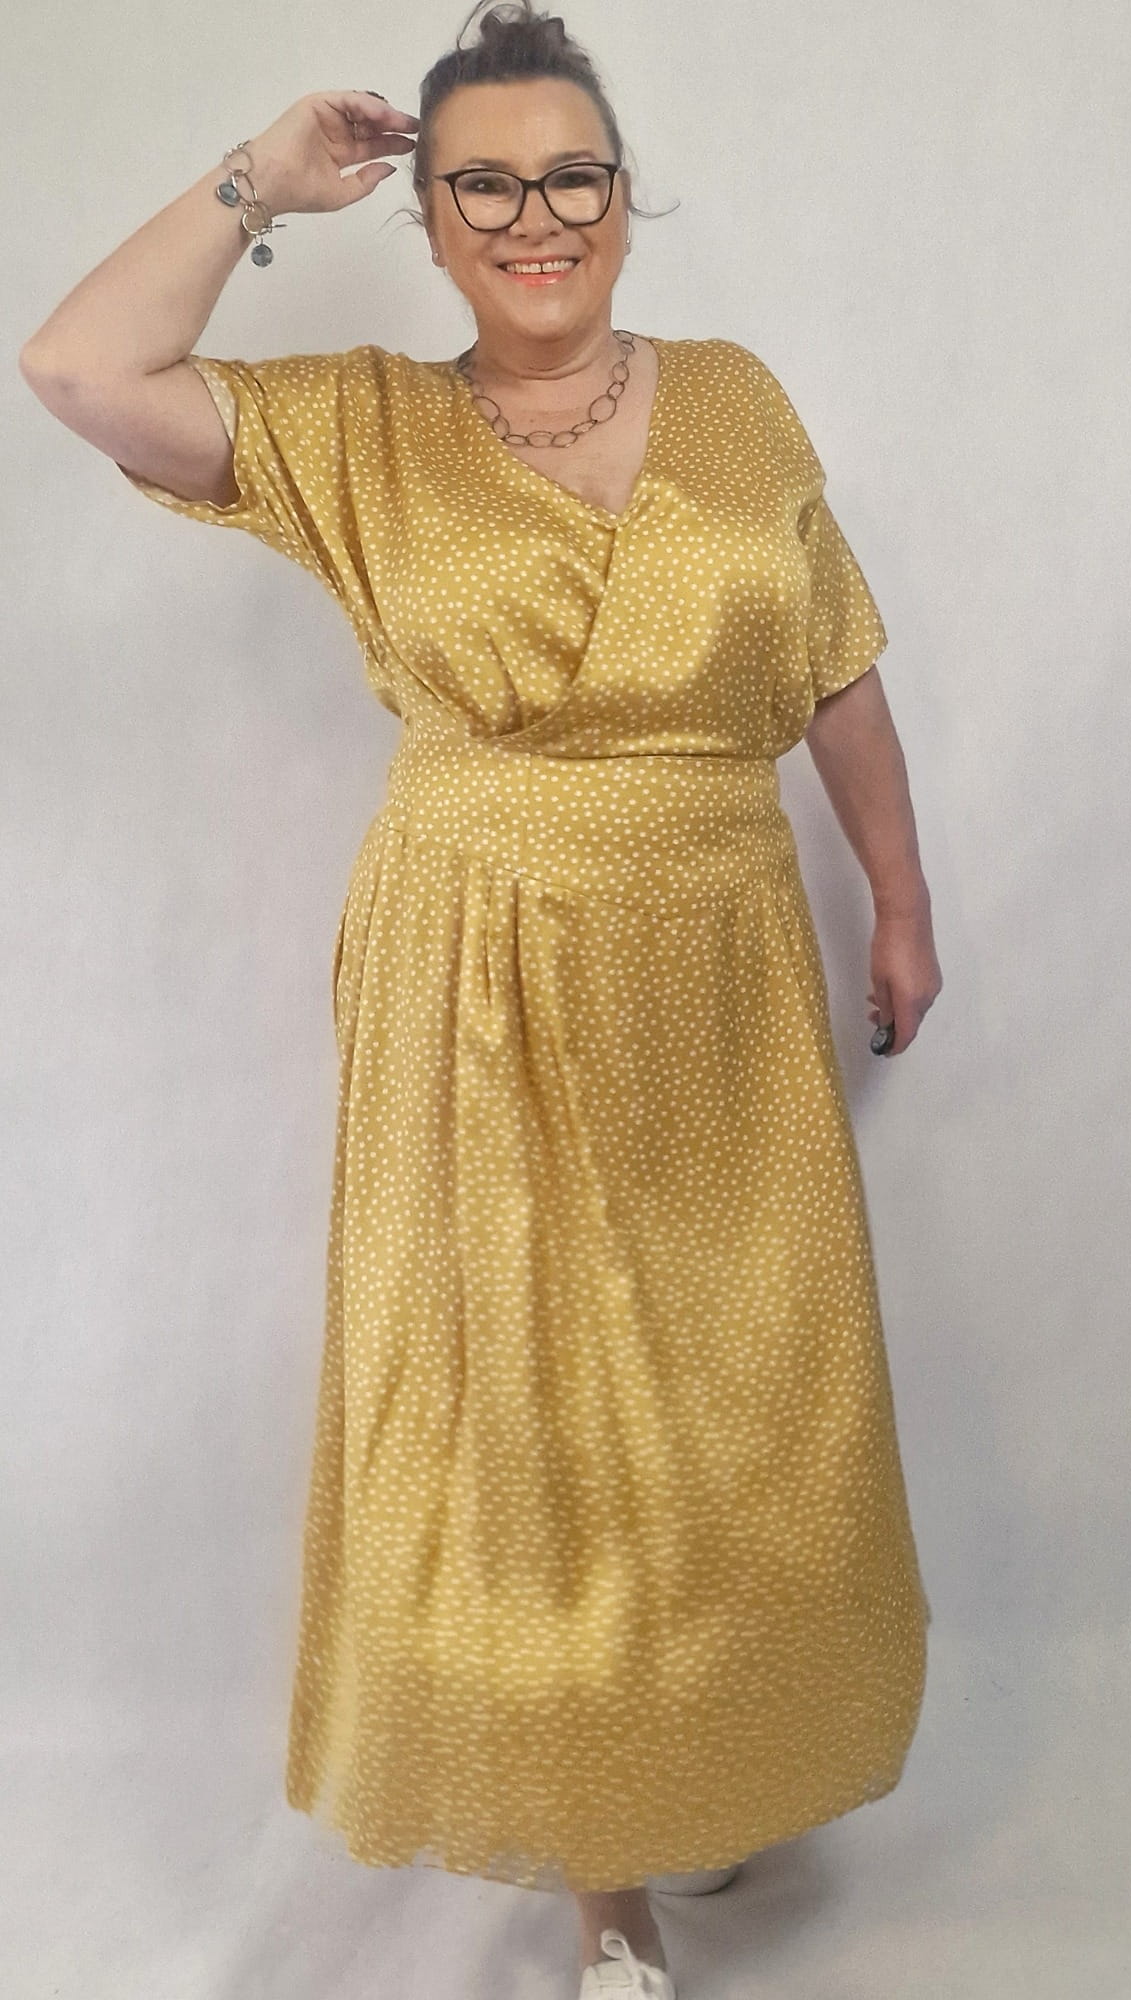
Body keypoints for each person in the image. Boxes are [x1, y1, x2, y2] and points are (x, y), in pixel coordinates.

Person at [20, 4, 942, 1994]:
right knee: (539, 1416)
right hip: (482, 970)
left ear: (626, 195)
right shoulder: (361, 430)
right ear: (428, 220)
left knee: (740, 1388)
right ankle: (601, 1874)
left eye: (571, 175)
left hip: (719, 962)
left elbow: (837, 662)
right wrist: (261, 177)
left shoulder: (739, 400)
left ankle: (702, 1754)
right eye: (486, 186)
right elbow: (79, 368)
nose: (537, 218)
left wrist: (901, 899)